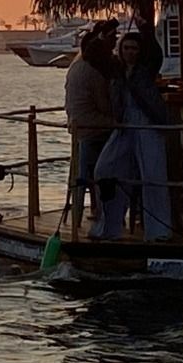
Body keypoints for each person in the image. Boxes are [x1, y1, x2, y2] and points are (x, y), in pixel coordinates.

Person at [93, 17, 172, 241]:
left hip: (147, 123)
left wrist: (146, 30)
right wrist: (104, 33)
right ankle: (108, 227)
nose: (130, 52)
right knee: (104, 170)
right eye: (126, 47)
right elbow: (92, 55)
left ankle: (159, 231)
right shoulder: (116, 70)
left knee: (153, 176)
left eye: (134, 48)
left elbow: (156, 54)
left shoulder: (145, 70)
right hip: (124, 125)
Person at [64, 20, 117, 228]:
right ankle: (111, 211)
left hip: (77, 125)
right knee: (125, 131)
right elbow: (105, 108)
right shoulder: (94, 73)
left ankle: (90, 209)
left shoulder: (76, 65)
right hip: (92, 127)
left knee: (86, 171)